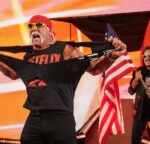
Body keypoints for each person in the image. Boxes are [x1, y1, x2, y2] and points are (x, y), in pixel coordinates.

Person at [0, 15, 127, 144]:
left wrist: (112, 57)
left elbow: (94, 69)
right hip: (35, 116)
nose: (34, 29)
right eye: (30, 27)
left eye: (39, 25)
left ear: (50, 32)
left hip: (60, 117)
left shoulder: (65, 49)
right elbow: (12, 73)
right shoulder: (29, 56)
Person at [128, 46, 150, 144]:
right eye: (145, 56)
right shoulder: (138, 71)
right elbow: (131, 91)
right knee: (135, 140)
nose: (147, 58)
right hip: (140, 111)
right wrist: (135, 80)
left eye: (149, 56)